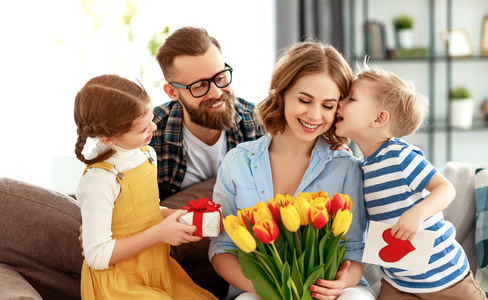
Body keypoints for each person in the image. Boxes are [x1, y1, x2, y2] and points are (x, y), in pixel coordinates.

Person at [209, 41, 376, 300]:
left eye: (328, 106)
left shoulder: (346, 168)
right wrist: (270, 289)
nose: (314, 115)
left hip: (330, 293)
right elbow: (222, 249)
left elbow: (354, 249)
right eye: (304, 100)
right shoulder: (237, 163)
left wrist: (340, 284)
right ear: (282, 93)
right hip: (260, 292)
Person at [335, 65, 487, 299]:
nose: (339, 103)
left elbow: (446, 189)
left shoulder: (400, 155)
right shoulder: (362, 167)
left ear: (379, 118)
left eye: (350, 98)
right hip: (398, 283)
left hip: (446, 279)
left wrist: (417, 214)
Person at [74, 74, 217, 299]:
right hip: (120, 284)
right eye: (142, 129)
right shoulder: (100, 180)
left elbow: (145, 213)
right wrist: (160, 234)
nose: (154, 127)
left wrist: (176, 216)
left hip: (158, 270)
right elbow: (97, 256)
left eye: (151, 118)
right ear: (108, 138)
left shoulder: (146, 154)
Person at [151, 26, 264, 201]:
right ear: (172, 92)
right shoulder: (149, 134)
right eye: (199, 86)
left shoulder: (258, 123)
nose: (217, 93)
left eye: (220, 78)